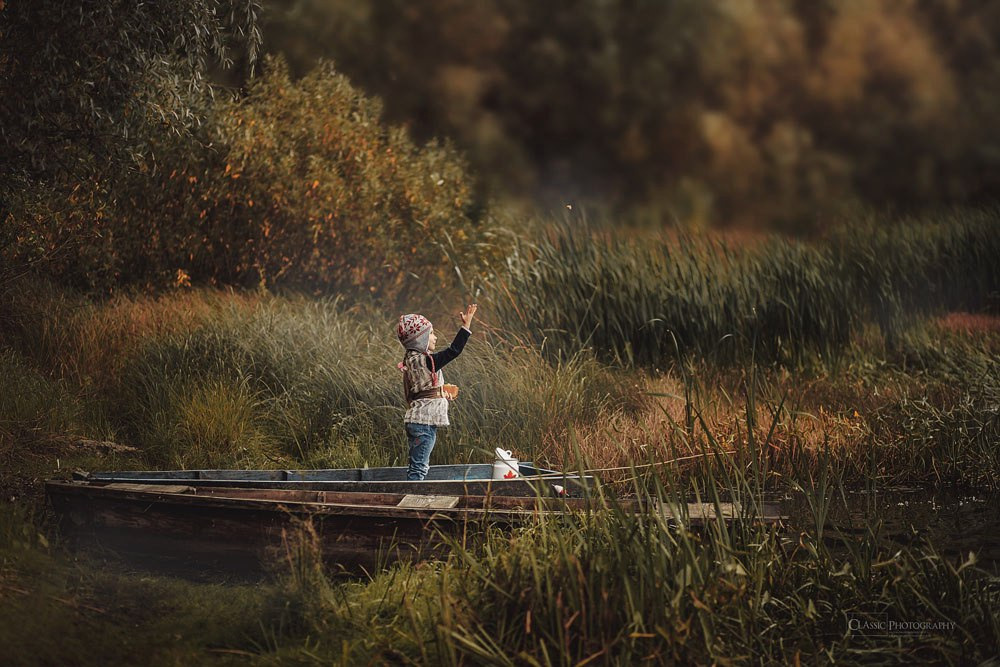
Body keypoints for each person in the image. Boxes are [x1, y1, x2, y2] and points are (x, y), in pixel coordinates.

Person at [397, 304, 477, 481]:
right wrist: (467, 325)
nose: (435, 337)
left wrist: (441, 391)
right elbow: (453, 351)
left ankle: (412, 497)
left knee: (418, 466)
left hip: (419, 422)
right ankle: (412, 500)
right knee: (419, 469)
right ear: (420, 339)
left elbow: (423, 390)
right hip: (423, 424)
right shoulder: (425, 360)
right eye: (431, 333)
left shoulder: (412, 360)